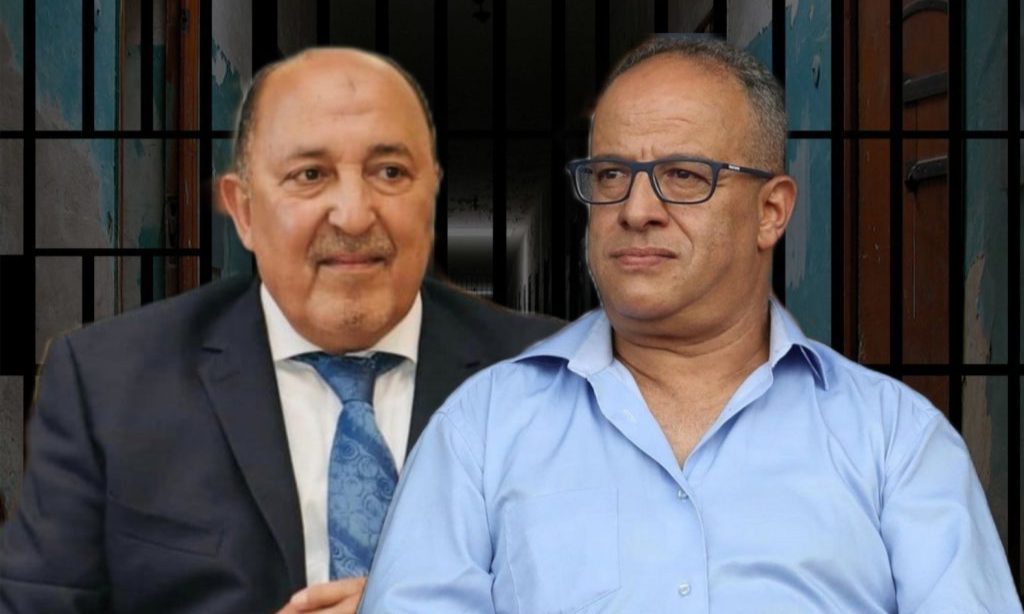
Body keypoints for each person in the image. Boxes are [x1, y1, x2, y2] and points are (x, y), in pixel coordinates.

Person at [359, 36, 1022, 614]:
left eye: (682, 175)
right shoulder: (480, 431)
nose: (636, 209)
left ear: (770, 211)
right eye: (611, 174)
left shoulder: (893, 441)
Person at [0, 48, 561, 614]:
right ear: (243, 210)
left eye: (390, 172)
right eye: (310, 175)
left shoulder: (559, 376)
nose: (353, 215)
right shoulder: (106, 383)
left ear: (430, 193)